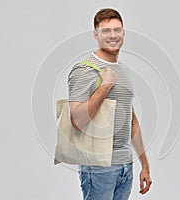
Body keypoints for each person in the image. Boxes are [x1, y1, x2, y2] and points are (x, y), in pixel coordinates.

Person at [68, 8, 152, 200]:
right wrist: (105, 86)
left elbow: (131, 122)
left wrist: (144, 165)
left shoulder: (123, 71)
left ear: (123, 33)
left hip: (125, 166)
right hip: (98, 168)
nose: (112, 35)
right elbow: (77, 121)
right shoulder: (83, 70)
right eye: (106, 31)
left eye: (117, 30)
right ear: (96, 35)